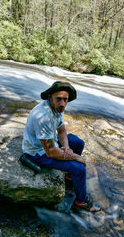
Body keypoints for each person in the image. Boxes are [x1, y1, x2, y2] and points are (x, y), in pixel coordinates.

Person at [22, 81, 101, 212]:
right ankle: (81, 203)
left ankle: (70, 176)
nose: (63, 103)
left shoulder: (57, 108)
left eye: (65, 100)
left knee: (78, 143)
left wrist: (67, 148)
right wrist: (75, 157)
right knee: (80, 168)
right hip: (37, 153)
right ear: (50, 97)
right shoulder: (43, 116)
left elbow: (62, 131)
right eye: (59, 99)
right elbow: (51, 152)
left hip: (50, 145)